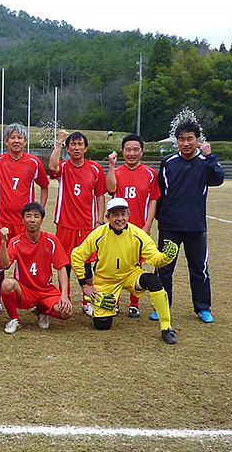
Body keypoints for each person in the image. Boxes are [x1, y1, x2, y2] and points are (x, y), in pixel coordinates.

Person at [71, 198, 179, 344]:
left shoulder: (138, 234)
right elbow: (77, 255)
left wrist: (166, 257)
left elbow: (154, 258)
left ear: (129, 215)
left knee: (154, 281)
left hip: (130, 275)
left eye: (123, 214)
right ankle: (97, 301)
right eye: (114, 214)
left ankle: (166, 327)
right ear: (107, 217)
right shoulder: (98, 234)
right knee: (102, 325)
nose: (119, 218)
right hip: (105, 279)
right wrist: (85, 286)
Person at [0, 123, 49, 305]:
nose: (16, 141)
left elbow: (44, 186)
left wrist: (39, 212)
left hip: (24, 224)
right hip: (2, 222)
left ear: (25, 141)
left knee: (28, 264)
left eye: (19, 137)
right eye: (12, 137)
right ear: (6, 142)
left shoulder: (34, 162)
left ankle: (31, 300)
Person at [155, 117, 224, 323]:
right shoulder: (168, 162)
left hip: (195, 227)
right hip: (169, 226)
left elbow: (218, 178)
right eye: (181, 139)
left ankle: (203, 307)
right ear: (176, 141)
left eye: (190, 139)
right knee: (164, 268)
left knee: (199, 268)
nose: (186, 143)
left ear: (198, 140)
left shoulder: (205, 163)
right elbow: (161, 193)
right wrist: (162, 218)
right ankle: (162, 306)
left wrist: (210, 156)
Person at [49, 130, 106, 316]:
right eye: (72, 144)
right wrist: (59, 142)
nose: (76, 147)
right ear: (67, 148)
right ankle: (64, 297)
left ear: (86, 148)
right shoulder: (64, 167)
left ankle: (87, 301)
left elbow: (99, 196)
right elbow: (52, 166)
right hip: (65, 224)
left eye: (80, 144)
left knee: (87, 264)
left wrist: (99, 220)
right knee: (63, 264)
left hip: (87, 226)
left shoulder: (95, 169)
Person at [107, 134, 160, 318]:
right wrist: (112, 167)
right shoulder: (117, 171)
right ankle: (114, 301)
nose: (131, 153)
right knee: (116, 264)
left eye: (135, 149)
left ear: (142, 152)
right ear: (122, 151)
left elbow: (153, 200)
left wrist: (147, 225)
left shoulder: (151, 174)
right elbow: (111, 189)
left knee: (136, 266)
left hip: (139, 229)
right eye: (127, 149)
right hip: (118, 228)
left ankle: (134, 303)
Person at [0, 202, 72, 333]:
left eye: (36, 216)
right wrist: (3, 242)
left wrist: (64, 295)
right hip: (24, 290)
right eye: (28, 216)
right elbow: (4, 265)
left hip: (46, 290)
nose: (32, 220)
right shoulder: (16, 241)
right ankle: (14, 319)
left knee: (66, 312)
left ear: (42, 220)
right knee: (7, 284)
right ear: (23, 220)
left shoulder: (51, 241)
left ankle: (42, 310)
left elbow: (61, 268)